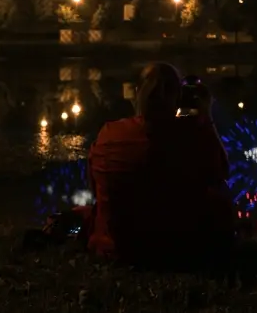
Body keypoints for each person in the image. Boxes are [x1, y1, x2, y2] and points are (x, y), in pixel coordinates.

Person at [79, 63, 234, 266]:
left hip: (118, 249)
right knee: (220, 196)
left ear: (137, 93)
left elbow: (95, 186)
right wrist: (206, 116)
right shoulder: (190, 136)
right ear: (179, 97)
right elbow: (221, 172)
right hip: (180, 249)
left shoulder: (109, 133)